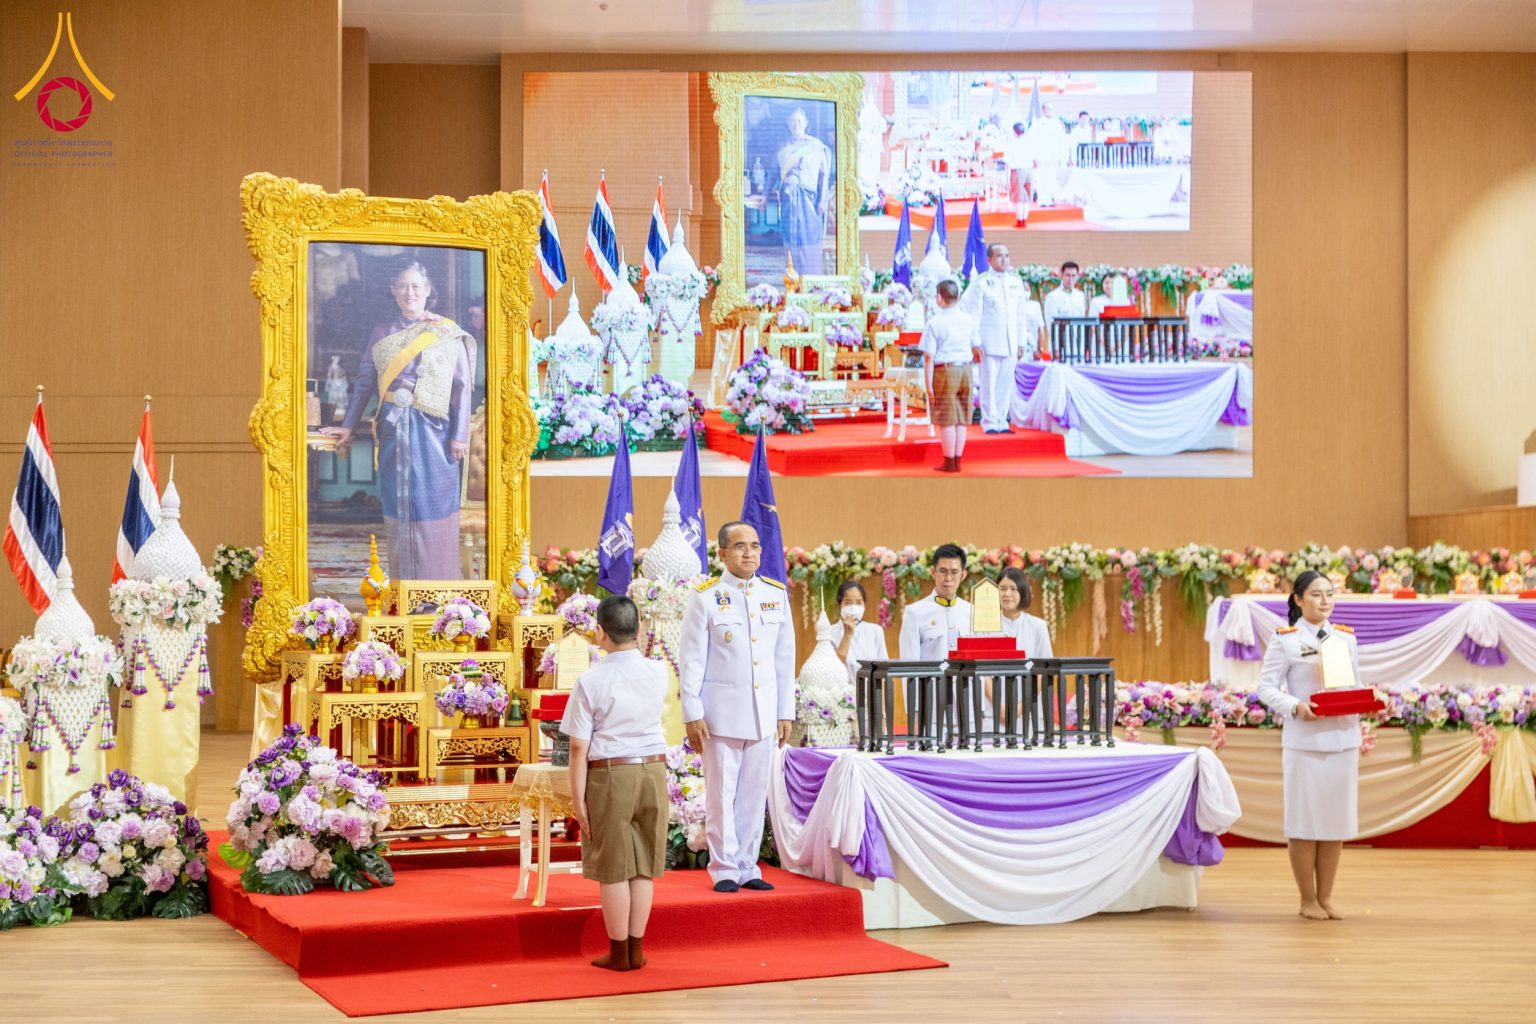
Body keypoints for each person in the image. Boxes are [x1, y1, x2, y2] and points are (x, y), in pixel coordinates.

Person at [323, 261, 474, 579]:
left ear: (427, 290)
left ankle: (439, 587)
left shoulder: (445, 331)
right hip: (393, 430)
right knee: (398, 506)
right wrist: (348, 425)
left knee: (433, 506)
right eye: (403, 286)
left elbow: (462, 386)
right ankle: (403, 587)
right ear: (394, 290)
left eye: (416, 286)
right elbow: (365, 382)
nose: (409, 292)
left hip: (435, 433)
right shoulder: (382, 333)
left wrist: (460, 435)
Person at [679, 521, 796, 893]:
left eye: (755, 546)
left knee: (753, 795)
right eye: (741, 546)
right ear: (722, 553)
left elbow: (784, 659)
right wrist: (692, 712)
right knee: (721, 794)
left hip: (763, 714)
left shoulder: (774, 594)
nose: (750, 553)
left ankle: (748, 865)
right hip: (721, 715)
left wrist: (785, 711)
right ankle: (724, 868)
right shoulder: (706, 597)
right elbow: (691, 660)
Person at [562, 596, 669, 972]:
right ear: (638, 629)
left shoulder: (591, 680)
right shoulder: (659, 672)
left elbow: (578, 747)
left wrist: (578, 800)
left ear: (599, 633)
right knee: (642, 865)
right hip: (653, 771)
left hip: (611, 774)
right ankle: (636, 950)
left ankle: (620, 953)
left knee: (613, 865)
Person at [1256, 570, 1362, 922]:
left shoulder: (1345, 638)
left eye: (1329, 593)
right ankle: (1307, 899)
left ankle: (1326, 897)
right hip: (1305, 743)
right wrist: (1295, 706)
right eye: (1316, 594)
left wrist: (1371, 701)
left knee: (1335, 823)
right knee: (1304, 823)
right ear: (1298, 600)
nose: (1325, 600)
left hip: (1343, 739)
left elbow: (1355, 684)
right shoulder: (1285, 640)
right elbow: (1266, 688)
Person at [959, 243, 1044, 434]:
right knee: (988, 383)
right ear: (989, 259)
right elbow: (974, 315)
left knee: (1006, 383)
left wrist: (1021, 341)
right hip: (988, 342)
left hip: (1010, 342)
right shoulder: (981, 283)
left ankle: (1001, 420)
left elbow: (1020, 314)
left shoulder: (1015, 282)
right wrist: (975, 342)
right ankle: (989, 420)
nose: (1004, 260)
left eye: (1007, 255)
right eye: (999, 256)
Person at [980, 566, 1053, 731]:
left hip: (1029, 711)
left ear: (1023, 591)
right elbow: (982, 672)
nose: (1007, 594)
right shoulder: (985, 627)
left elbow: (1043, 670)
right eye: (1002, 589)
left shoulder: (1038, 626)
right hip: (992, 713)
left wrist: (1021, 707)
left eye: (1013, 589)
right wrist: (1000, 707)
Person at [919, 279, 979, 474]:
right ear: (958, 296)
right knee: (961, 417)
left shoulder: (935, 322)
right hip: (966, 369)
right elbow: (976, 346)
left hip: (946, 371)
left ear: (939, 298)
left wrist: (928, 385)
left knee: (946, 417)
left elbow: (928, 357)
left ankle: (949, 461)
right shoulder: (968, 319)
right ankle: (958, 460)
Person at [775, 107, 833, 274]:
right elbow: (775, 172)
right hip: (789, 200)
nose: (796, 125)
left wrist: (822, 200)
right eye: (793, 121)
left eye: (799, 121)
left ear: (806, 123)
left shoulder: (816, 146)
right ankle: (792, 276)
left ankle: (810, 276)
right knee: (790, 236)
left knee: (808, 237)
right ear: (788, 123)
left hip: (808, 200)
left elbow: (824, 175)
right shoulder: (783, 147)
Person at [899, 543, 972, 661]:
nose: (948, 578)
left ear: (963, 575)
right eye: (943, 571)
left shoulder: (972, 612)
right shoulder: (915, 612)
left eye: (954, 572)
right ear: (933, 572)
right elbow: (909, 666)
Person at [829, 580, 889, 686]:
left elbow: (884, 669)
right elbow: (834, 670)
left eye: (858, 602)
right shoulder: (830, 633)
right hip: (842, 693)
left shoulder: (875, 631)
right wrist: (847, 635)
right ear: (839, 605)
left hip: (870, 692)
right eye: (847, 603)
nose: (853, 607)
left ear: (864, 605)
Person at [1042, 260, 1087, 354]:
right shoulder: (1052, 296)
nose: (1070, 279)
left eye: (1073, 275)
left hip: (1078, 344)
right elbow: (1051, 323)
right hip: (1061, 344)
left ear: (1077, 277)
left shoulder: (1080, 295)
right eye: (1067, 275)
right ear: (1061, 275)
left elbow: (1082, 320)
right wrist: (1056, 347)